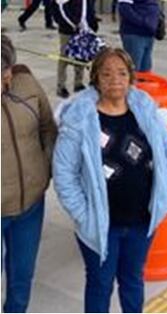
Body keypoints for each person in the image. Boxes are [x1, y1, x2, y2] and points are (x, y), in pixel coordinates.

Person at [52, 48, 167, 314]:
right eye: (107, 73)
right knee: (100, 284)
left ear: (131, 77)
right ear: (96, 78)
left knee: (133, 282)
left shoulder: (144, 108)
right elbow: (64, 174)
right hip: (101, 225)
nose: (115, 79)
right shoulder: (80, 118)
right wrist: (84, 215)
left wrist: (165, 195)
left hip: (141, 221)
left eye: (122, 73)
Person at [2, 35, 58, 313]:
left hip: (30, 206)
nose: (4, 78)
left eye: (5, 69)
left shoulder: (26, 82)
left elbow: (48, 127)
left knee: (21, 279)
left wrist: (44, 166)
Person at [52, 0, 98, 98]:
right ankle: (61, 86)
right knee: (65, 58)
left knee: (82, 57)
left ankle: (78, 83)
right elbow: (60, 8)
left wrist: (92, 22)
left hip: (84, 29)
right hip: (69, 30)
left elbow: (88, 6)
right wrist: (72, 25)